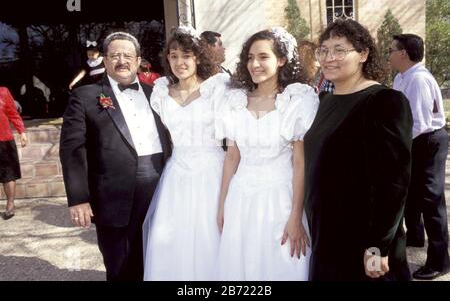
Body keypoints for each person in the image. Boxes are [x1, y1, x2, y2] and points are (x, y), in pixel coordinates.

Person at [304, 18, 413, 281]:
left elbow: (394, 184)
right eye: (324, 50)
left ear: (363, 54)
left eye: (340, 50)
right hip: (327, 236)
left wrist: (378, 246)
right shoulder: (324, 101)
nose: (329, 58)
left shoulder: (383, 101)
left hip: (364, 244)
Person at [60, 32, 172, 281]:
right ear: (105, 61)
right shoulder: (85, 96)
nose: (122, 60)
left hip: (162, 189)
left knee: (160, 262)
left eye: (127, 55)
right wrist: (78, 198)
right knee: (121, 266)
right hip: (113, 197)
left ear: (139, 60)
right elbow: (72, 150)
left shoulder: (157, 93)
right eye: (114, 55)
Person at [215, 27, 319, 280]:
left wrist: (295, 216)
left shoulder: (297, 101)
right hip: (241, 198)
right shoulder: (233, 101)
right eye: (250, 57)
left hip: (280, 200)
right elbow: (231, 158)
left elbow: (299, 163)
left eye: (263, 57)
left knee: (281, 264)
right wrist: (222, 205)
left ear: (281, 60)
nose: (254, 64)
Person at [142, 25, 226, 281]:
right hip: (177, 175)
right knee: (172, 240)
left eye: (186, 55)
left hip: (213, 172)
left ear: (198, 57)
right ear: (167, 58)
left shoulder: (218, 88)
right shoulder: (160, 92)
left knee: (210, 235)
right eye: (174, 55)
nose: (180, 61)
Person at [390, 33, 450, 280]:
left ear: (403, 53)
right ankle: (415, 238)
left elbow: (420, 124)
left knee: (431, 199)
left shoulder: (418, 80)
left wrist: (394, 147)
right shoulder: (401, 77)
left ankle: (440, 261)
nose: (389, 53)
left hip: (428, 140)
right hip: (414, 139)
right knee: (411, 192)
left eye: (392, 49)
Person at [0, 86, 28, 220]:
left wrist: (22, 131)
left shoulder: (3, 92)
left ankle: (10, 204)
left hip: (4, 140)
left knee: (9, 174)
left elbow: (12, 113)